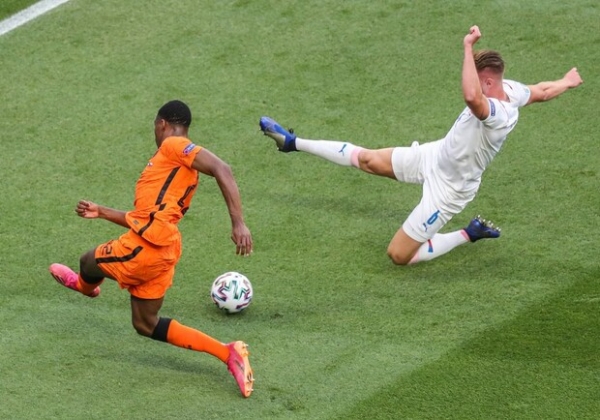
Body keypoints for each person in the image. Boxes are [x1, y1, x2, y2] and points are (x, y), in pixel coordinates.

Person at [259, 25, 583, 266]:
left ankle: (468, 233)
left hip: (450, 190)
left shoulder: (500, 113)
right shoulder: (511, 89)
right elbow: (540, 91)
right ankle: (292, 143)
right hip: (434, 155)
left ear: (487, 81)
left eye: (475, 76)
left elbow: (472, 97)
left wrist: (466, 47)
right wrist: (566, 82)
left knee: (399, 255)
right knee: (368, 160)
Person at [49, 100, 255, 397]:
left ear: (162, 124)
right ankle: (228, 352)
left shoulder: (173, 145)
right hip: (165, 248)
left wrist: (239, 223)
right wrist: (103, 211)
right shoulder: (176, 168)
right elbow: (148, 217)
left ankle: (84, 288)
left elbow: (222, 168)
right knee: (145, 324)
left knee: (87, 261)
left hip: (146, 248)